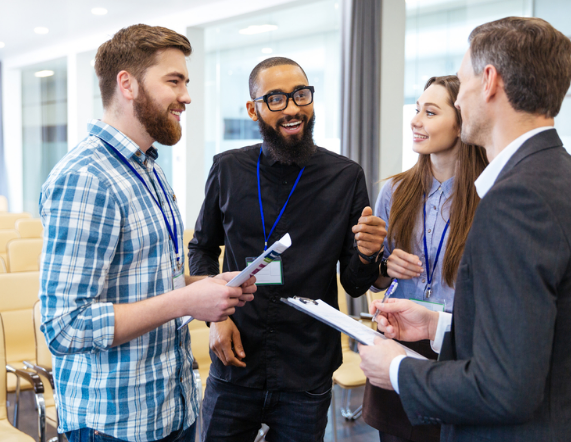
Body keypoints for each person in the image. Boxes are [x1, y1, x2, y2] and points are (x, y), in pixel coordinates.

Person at [39, 24, 256, 442]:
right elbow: (65, 326)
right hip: (114, 424)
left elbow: (147, 283)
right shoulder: (86, 177)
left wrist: (205, 286)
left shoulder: (149, 167)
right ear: (128, 84)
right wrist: (185, 300)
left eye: (186, 82)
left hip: (170, 405)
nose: (187, 96)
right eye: (173, 81)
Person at [359, 16, 571, 441]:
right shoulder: (556, 175)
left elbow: (504, 387)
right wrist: (438, 326)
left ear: (489, 81)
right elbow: (531, 333)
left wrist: (398, 368)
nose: (459, 101)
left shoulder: (516, 199)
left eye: (462, 82)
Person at [187, 56, 387, 442]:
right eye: (276, 99)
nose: (293, 108)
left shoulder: (345, 176)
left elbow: (354, 282)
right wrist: (217, 319)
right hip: (235, 359)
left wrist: (366, 254)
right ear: (253, 109)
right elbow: (202, 249)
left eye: (301, 95)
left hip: (306, 366)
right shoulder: (227, 168)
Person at [363, 75, 488, 442]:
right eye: (416, 110)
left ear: (462, 121)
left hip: (457, 348)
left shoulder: (489, 196)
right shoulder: (396, 190)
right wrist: (383, 265)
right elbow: (377, 278)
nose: (415, 120)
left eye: (430, 112)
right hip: (399, 340)